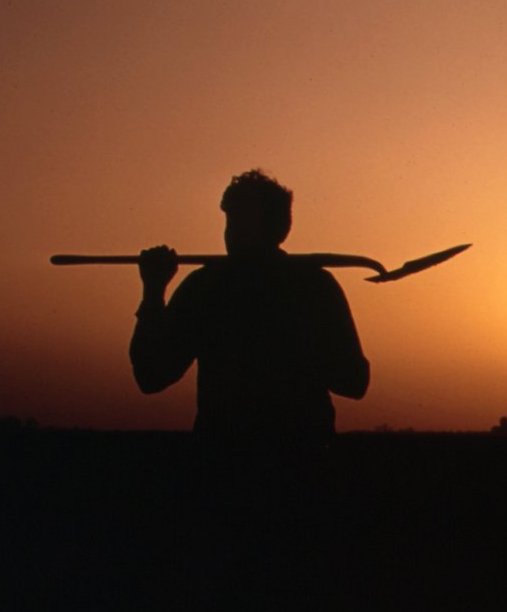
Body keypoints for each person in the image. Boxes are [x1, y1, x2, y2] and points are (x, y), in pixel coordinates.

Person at [130, 169, 369, 440]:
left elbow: (354, 382)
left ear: (274, 225)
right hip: (261, 461)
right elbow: (151, 376)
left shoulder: (207, 285)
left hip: (282, 462)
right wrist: (152, 291)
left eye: (241, 220)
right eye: (231, 221)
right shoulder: (315, 284)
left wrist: (152, 291)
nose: (231, 232)